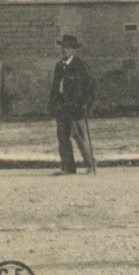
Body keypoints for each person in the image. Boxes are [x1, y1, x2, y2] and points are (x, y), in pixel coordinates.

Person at [46, 35, 95, 175]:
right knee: (62, 137)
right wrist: (52, 104)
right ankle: (68, 168)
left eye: (69, 48)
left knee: (79, 136)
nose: (65, 50)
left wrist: (86, 104)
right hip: (62, 107)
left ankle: (90, 165)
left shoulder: (80, 66)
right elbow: (55, 87)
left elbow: (91, 87)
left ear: (74, 51)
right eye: (64, 48)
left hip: (76, 107)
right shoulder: (59, 65)